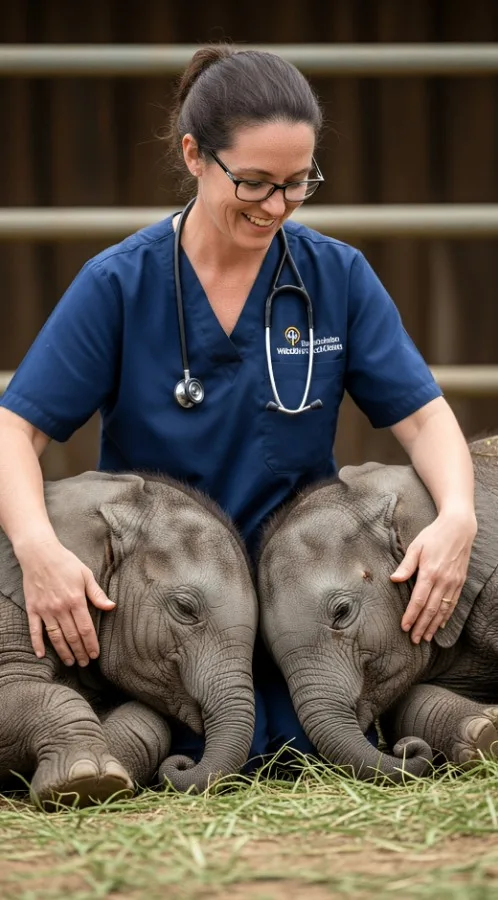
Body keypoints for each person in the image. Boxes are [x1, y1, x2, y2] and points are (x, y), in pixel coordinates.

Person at [0, 43, 477, 768]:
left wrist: (457, 518)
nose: (277, 206)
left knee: (318, 720)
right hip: (168, 610)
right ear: (195, 156)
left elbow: (424, 417)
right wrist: (40, 551)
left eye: (298, 183)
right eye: (253, 183)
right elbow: (15, 428)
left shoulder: (335, 274)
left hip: (304, 602)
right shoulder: (120, 284)